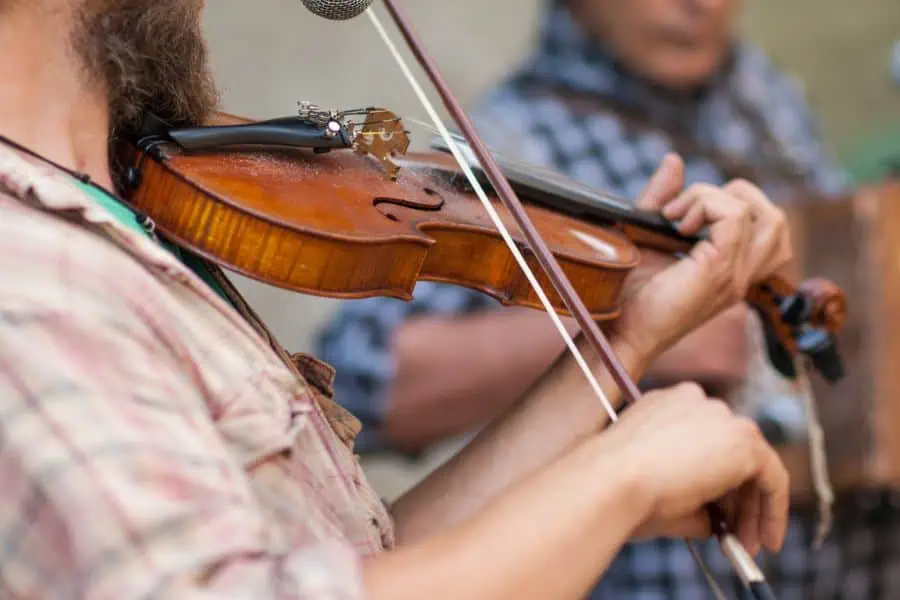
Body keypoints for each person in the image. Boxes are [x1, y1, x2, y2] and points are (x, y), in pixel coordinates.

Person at [0, 1, 797, 598]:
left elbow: (363, 565)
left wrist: (619, 344)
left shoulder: (117, 216)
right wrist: (623, 478)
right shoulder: (32, 281)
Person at [315, 0, 878, 598]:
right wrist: (627, 320)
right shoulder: (516, 136)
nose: (701, 5)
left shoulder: (765, 94)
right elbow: (366, 381)